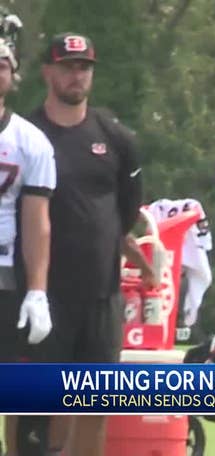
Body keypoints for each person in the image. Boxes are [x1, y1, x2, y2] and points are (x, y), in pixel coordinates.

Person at [25, 32, 143, 456]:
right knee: (32, 405)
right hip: (39, 294)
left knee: (96, 405)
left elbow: (128, 209)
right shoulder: (26, 134)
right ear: (47, 71)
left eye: (84, 67)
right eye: (68, 66)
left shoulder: (114, 135)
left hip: (101, 294)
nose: (77, 75)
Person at [0, 36, 56, 456]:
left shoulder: (30, 140)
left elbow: (37, 221)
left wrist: (37, 290)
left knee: (14, 388)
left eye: (1, 64)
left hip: (6, 274)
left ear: (12, 76)